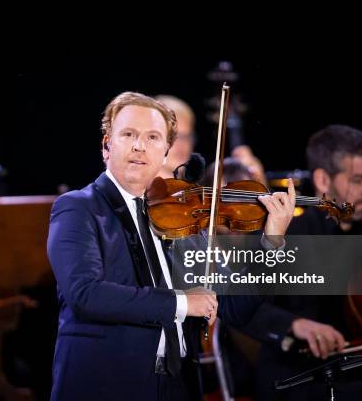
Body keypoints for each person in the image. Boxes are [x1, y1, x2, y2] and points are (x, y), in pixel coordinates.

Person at [47, 91, 296, 401]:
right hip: (107, 384)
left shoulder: (179, 216)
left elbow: (234, 306)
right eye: (128, 134)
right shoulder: (78, 208)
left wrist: (271, 241)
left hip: (177, 386)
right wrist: (181, 303)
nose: (140, 146)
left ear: (166, 152)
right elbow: (85, 293)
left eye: (152, 137)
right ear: (106, 145)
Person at [229, 125, 362, 400]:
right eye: (357, 180)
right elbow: (239, 307)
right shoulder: (285, 234)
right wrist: (294, 325)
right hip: (297, 380)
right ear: (322, 180)